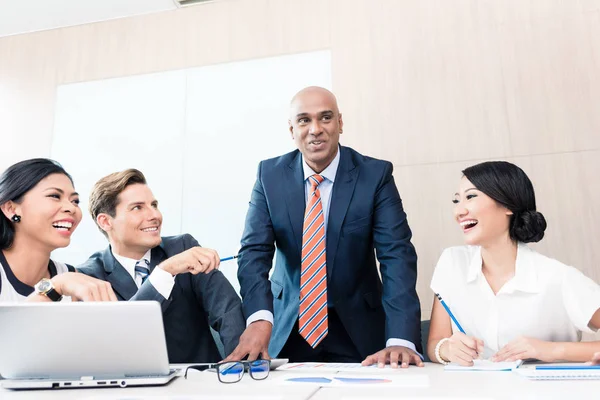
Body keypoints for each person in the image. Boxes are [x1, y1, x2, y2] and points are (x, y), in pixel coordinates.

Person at [227, 86, 422, 368]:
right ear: (291, 129)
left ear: (340, 123)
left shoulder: (375, 175)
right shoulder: (269, 176)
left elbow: (397, 255)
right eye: (304, 120)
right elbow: (253, 253)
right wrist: (259, 318)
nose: (315, 129)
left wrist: (400, 340)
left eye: (326, 118)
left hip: (360, 330)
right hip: (287, 327)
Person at [427, 161, 600, 366]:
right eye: (456, 201)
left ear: (508, 205)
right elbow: (435, 343)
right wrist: (446, 349)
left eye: (471, 197)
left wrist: (550, 349)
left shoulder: (558, 277)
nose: (459, 211)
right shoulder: (452, 263)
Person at [77, 168, 245, 363]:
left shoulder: (183, 247)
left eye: (154, 205)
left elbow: (227, 309)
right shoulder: (89, 276)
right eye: (138, 207)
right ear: (106, 221)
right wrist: (165, 272)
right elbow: (120, 335)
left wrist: (240, 364)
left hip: (196, 385)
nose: (155, 215)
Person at [0, 158, 116, 303]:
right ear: (11, 209)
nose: (71, 208)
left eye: (75, 201)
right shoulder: (64, 282)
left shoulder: (70, 276)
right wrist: (53, 288)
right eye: (54, 196)